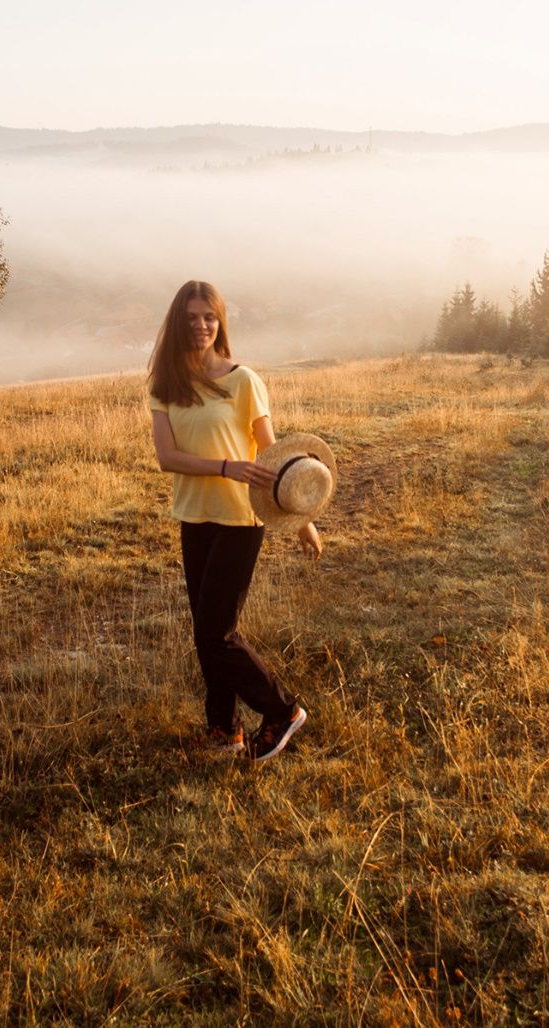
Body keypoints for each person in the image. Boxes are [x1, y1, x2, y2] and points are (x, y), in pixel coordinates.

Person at [148, 280, 320, 762]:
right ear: (177, 323)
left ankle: (282, 710)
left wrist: (300, 518)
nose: (200, 325)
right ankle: (224, 730)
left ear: (220, 322)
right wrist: (226, 466)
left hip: (241, 518)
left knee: (216, 633)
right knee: (206, 630)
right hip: (194, 516)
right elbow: (167, 457)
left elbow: (271, 454)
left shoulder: (244, 380)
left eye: (209, 317)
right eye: (190, 318)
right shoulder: (166, 383)